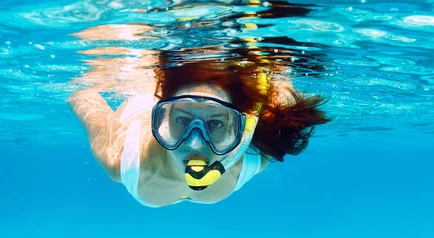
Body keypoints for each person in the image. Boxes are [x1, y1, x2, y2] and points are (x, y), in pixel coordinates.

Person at [68, 36, 331, 207]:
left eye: (215, 124)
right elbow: (82, 96)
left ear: (237, 128)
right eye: (182, 120)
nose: (195, 142)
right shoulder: (124, 157)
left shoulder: (250, 156)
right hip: (141, 107)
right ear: (160, 117)